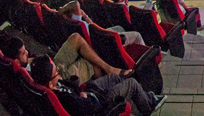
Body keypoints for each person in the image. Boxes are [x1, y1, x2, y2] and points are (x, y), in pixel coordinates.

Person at [30, 55, 166, 116]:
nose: (59, 71)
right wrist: (83, 96)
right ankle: (148, 107)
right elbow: (88, 107)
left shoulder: (54, 85)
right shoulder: (63, 98)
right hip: (100, 105)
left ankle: (142, 99)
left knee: (113, 77)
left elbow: (72, 88)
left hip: (90, 92)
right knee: (131, 83)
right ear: (49, 84)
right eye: (57, 72)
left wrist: (79, 90)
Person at [1, 36, 131, 84]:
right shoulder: (24, 74)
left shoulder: (14, 62)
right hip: (56, 77)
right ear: (16, 61)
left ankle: (108, 70)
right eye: (24, 53)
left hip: (52, 63)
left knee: (76, 38)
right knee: (91, 61)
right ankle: (104, 82)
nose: (27, 53)